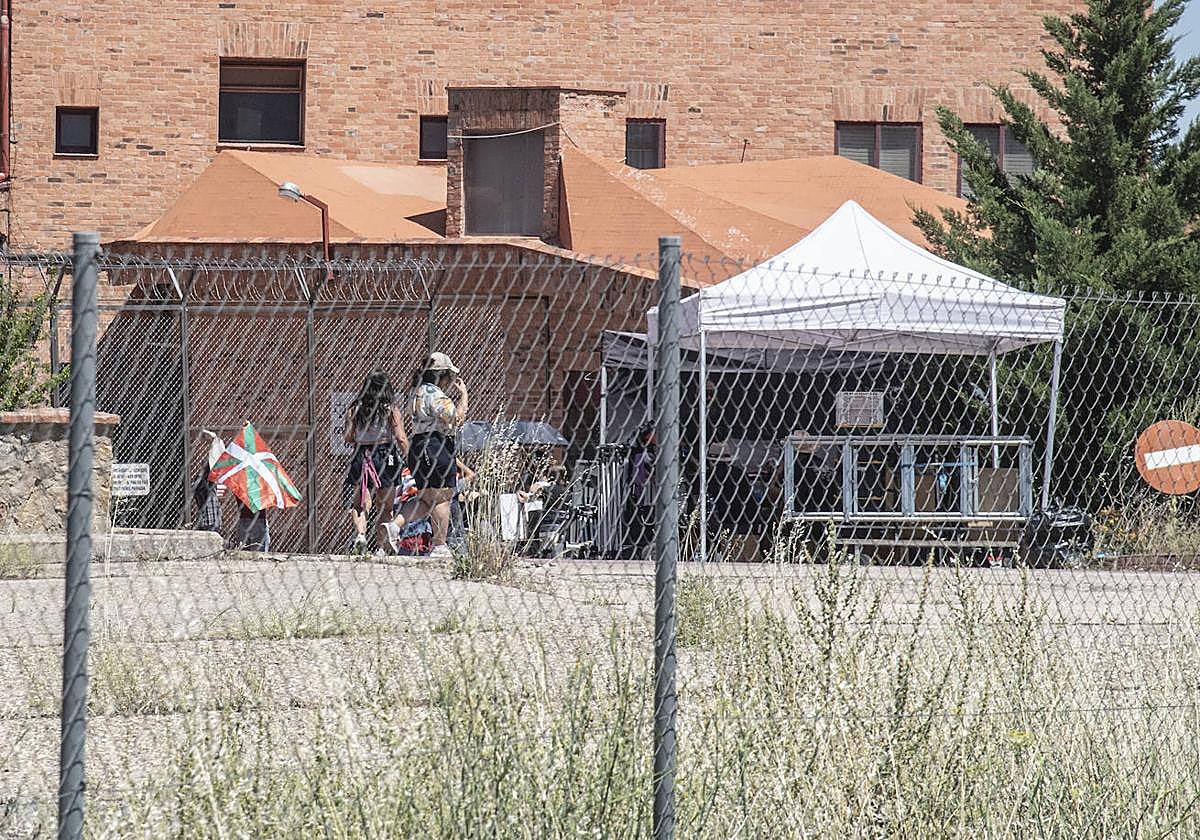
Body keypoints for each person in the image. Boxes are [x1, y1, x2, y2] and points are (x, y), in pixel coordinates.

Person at [384, 352, 468, 557]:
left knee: (424, 499)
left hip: (418, 446)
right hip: (436, 445)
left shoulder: (417, 391)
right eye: (448, 374)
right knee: (442, 497)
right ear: (441, 375)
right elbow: (456, 418)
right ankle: (439, 546)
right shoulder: (435, 394)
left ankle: (395, 526)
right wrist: (464, 396)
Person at [342, 369, 409, 555]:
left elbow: (348, 437)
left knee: (360, 503)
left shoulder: (354, 408)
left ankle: (361, 535)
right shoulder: (390, 409)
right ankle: (380, 547)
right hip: (385, 454)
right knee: (385, 505)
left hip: (361, 454)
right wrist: (411, 458)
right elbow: (400, 437)